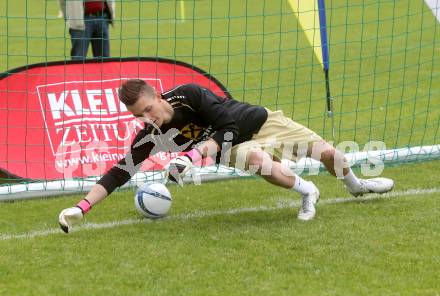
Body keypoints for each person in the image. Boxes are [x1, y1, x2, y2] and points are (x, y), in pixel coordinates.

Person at [58, 79, 394, 233]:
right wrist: (81, 207)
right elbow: (120, 171)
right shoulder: (152, 135)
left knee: (331, 154)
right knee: (259, 162)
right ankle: (308, 192)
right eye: (139, 116)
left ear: (157, 96)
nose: (147, 119)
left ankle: (355, 186)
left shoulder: (189, 95)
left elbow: (229, 125)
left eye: (148, 110)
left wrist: (191, 157)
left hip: (261, 122)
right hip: (234, 149)